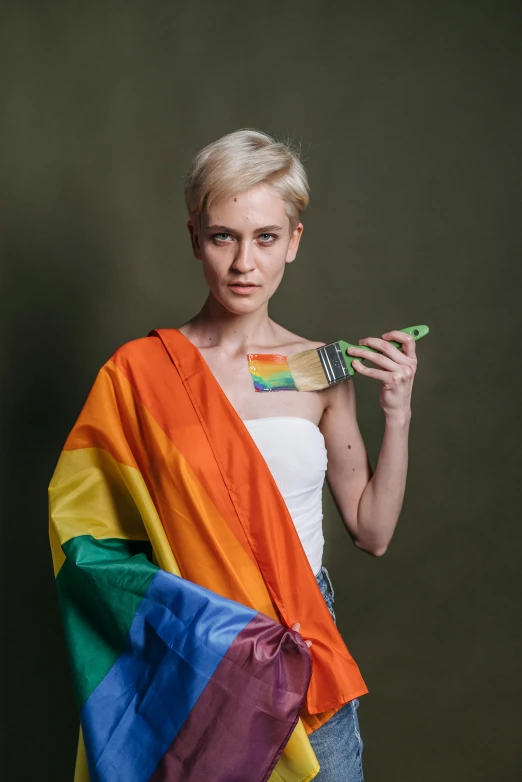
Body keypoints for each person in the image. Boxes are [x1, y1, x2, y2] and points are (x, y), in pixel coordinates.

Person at [48, 129, 418, 782]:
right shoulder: (140, 374)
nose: (245, 262)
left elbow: (373, 532)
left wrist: (398, 410)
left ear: (294, 241)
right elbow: (89, 539)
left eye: (266, 237)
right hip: (196, 655)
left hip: (302, 644)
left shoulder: (317, 369)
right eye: (224, 236)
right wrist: (181, 624)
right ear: (196, 238)